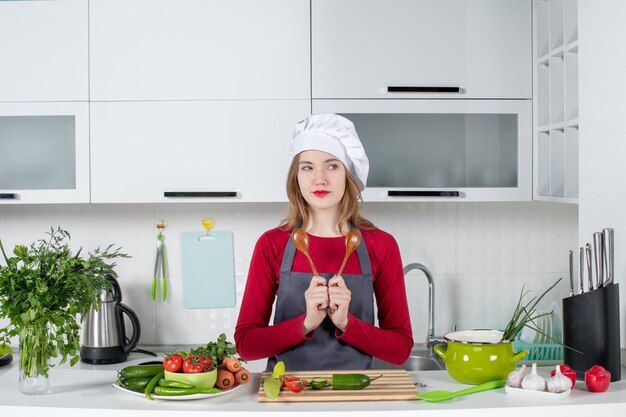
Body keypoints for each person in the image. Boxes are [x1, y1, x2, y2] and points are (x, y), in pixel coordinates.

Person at [234, 113, 413, 371]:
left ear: (348, 174)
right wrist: (305, 323)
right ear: (296, 175)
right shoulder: (272, 243)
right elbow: (246, 345)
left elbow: (400, 349)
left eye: (332, 166)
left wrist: (346, 324)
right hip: (286, 398)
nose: (320, 178)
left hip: (355, 398)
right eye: (307, 166)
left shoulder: (380, 245)